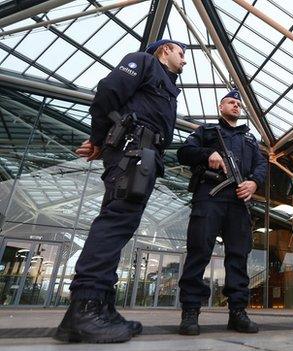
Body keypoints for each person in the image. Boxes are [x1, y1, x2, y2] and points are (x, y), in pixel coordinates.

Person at [54, 39, 187, 343]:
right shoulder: (144, 61)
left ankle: (101, 306)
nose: (185, 60)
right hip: (132, 153)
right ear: (165, 49)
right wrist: (100, 139)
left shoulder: (166, 84)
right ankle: (84, 309)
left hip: (143, 156)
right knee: (115, 223)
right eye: (181, 53)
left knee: (120, 224)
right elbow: (108, 92)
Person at [177, 89, 267, 334]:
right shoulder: (205, 131)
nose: (236, 106)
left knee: (238, 257)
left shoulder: (249, 139)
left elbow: (261, 164)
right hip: (209, 197)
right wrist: (208, 153)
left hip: (238, 202)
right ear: (220, 107)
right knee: (199, 252)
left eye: (238, 103)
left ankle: (238, 311)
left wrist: (254, 183)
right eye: (231, 102)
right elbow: (183, 153)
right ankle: (190, 311)